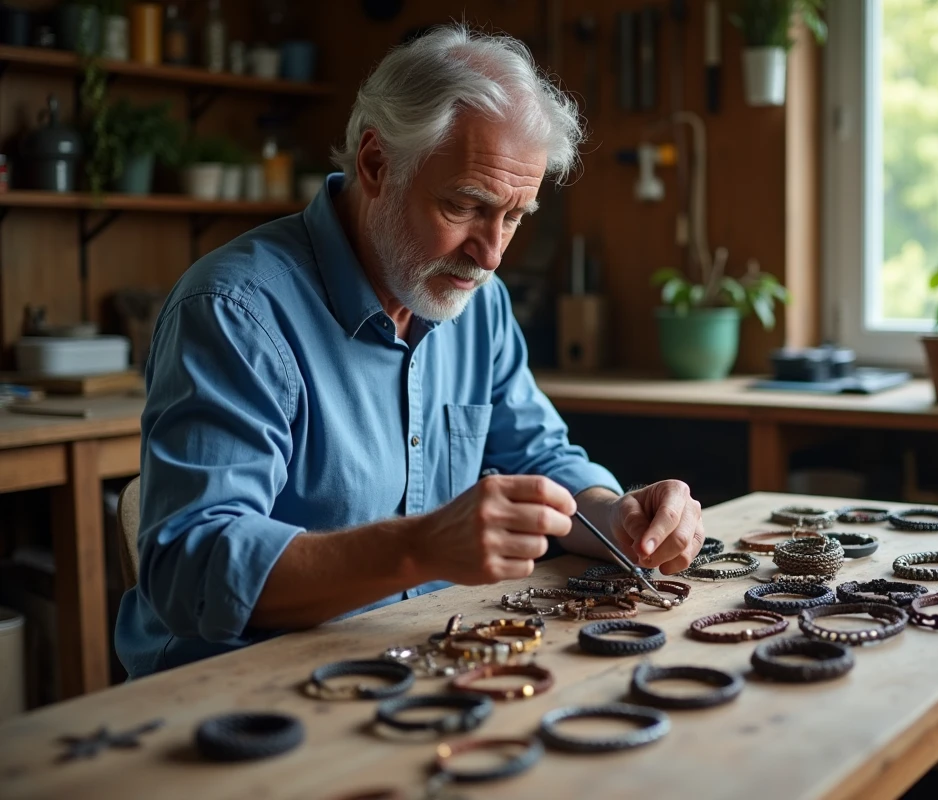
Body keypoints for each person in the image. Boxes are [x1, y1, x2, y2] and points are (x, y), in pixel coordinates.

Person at [114, 25, 705, 678]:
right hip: (232, 700)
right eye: (465, 205)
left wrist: (615, 515)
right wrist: (420, 548)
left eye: (514, 217)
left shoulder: (477, 303)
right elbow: (189, 566)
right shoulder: (234, 311)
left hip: (416, 668)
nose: (492, 254)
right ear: (375, 164)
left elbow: (538, 457)